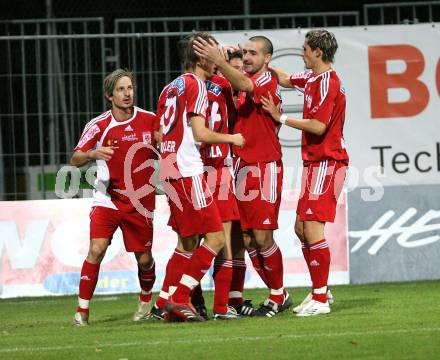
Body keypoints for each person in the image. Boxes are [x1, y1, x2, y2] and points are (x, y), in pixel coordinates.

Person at [193, 35, 292, 317]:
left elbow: (245, 83)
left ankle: (278, 295)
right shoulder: (238, 85)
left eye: (253, 53)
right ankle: (251, 297)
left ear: (267, 59)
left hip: (265, 167)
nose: (247, 57)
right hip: (240, 167)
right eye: (244, 53)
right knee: (246, 240)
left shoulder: (264, 82)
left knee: (262, 237)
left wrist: (219, 62)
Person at [155, 32, 245, 322]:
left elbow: (160, 134)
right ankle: (180, 297)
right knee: (217, 238)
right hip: (188, 171)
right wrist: (232, 138)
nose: (217, 59)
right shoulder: (197, 86)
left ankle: (165, 303)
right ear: (200, 56)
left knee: (187, 241)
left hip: (168, 170)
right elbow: (200, 134)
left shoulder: (169, 88)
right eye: (213, 53)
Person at [260, 29, 349, 316]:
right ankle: (320, 290)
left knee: (312, 228)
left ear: (318, 52)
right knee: (300, 229)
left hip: (328, 162)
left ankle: (321, 299)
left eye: (305, 49)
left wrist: (281, 117)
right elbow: (286, 79)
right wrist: (265, 63)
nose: (302, 53)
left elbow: (319, 127)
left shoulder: (328, 84)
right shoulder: (312, 78)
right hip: (314, 164)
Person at [71, 69, 159, 326]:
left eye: (129, 88)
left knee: (144, 260)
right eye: (120, 89)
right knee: (96, 249)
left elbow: (167, 147)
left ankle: (145, 300)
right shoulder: (98, 125)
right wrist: (92, 154)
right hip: (107, 198)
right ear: (110, 95)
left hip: (140, 201)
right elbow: (75, 159)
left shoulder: (150, 120)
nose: (127, 93)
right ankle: (81, 311)